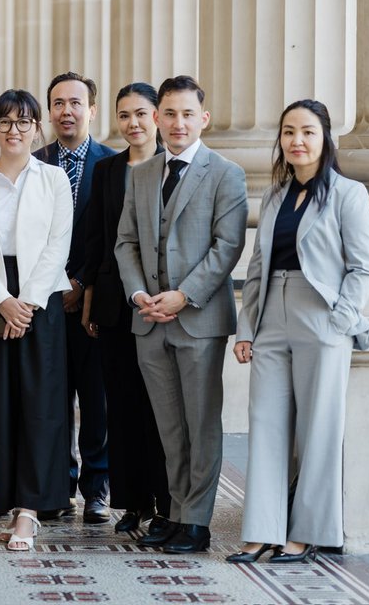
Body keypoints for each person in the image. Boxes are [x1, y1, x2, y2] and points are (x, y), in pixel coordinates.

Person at [228, 100, 369, 564]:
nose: (297, 141)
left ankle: (306, 532)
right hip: (273, 311)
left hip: (323, 319)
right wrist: (247, 327)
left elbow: (362, 267)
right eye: (289, 131)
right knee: (267, 424)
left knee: (318, 429)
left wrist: (339, 320)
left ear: (325, 138)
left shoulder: (348, 194)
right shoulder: (275, 196)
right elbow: (257, 266)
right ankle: (262, 529)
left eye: (308, 132)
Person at [115, 75, 248, 554]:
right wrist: (138, 296)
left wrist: (183, 295)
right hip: (147, 319)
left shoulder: (226, 173)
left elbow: (227, 247)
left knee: (200, 423)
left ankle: (197, 520)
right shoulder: (142, 174)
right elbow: (125, 242)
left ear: (203, 119)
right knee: (168, 425)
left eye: (187, 113)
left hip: (199, 320)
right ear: (157, 118)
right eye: (168, 113)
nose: (177, 122)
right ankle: (174, 512)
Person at [0, 89, 73, 551]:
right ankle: (8, 497)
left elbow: (57, 244)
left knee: (40, 406)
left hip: (39, 304)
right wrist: (3, 302)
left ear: (37, 129)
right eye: (5, 122)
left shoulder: (53, 179)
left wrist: (28, 302)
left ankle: (30, 510)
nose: (14, 131)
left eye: (24, 122)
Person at [79, 83, 169, 536]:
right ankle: (131, 502)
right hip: (115, 303)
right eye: (124, 115)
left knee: (160, 409)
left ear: (157, 116)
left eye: (141, 113)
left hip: (161, 304)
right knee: (122, 406)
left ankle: (165, 502)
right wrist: (91, 299)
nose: (133, 123)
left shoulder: (171, 166)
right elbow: (96, 238)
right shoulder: (107, 170)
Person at [32, 71, 116, 524]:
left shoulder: (112, 163)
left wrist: (80, 284)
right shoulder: (33, 161)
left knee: (96, 400)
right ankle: (56, 487)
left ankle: (97, 490)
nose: (67, 111)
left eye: (76, 103)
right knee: (51, 398)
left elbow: (109, 236)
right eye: (58, 103)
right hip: (43, 300)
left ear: (92, 110)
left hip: (91, 302)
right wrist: (52, 285)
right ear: (49, 111)